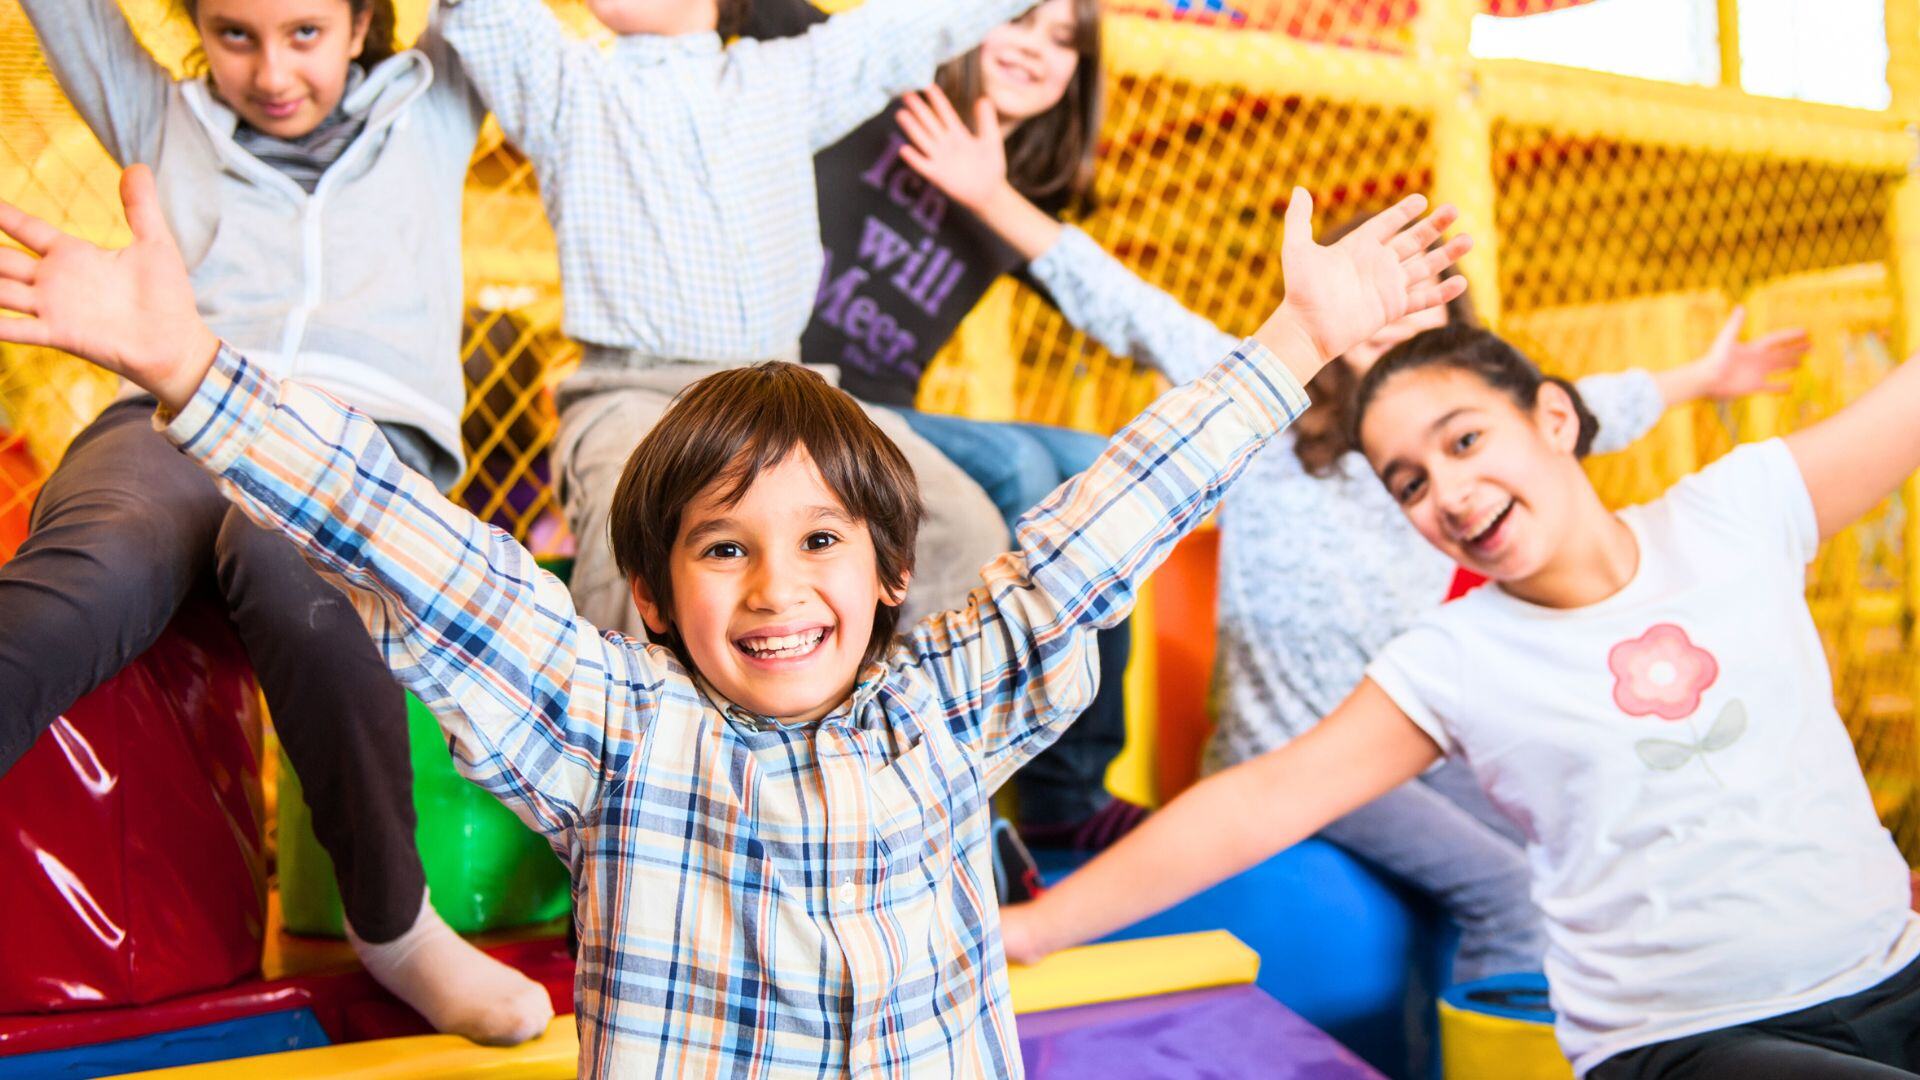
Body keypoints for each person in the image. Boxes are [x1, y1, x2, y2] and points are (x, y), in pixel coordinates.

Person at [0, 165, 1468, 1075]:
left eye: (821, 540)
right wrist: (193, 372)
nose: (777, 592)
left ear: (892, 573)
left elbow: (1112, 525)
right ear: (650, 593)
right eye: (723, 550)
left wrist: (1292, 345)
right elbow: (426, 555)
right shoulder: (615, 728)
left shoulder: (947, 701)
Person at [1003, 322, 1920, 1079]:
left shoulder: (1736, 515)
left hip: (1894, 972)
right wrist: (1039, 928)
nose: (1447, 493)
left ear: (1555, 418)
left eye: (1465, 440)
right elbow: (1259, 800)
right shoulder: (1456, 658)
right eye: (1409, 482)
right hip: (1700, 1042)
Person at [7, 0, 551, 1044]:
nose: (271, 71)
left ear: (362, 26)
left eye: (306, 33)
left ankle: (395, 924)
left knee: (301, 565)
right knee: (91, 570)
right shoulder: (160, 116)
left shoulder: (433, 104)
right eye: (234, 35)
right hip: (168, 412)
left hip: (352, 433)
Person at [1199, 278, 1808, 981]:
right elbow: (1135, 309)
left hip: (1405, 744)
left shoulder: (1483, 419)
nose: (1446, 492)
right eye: (1410, 484)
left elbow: (1589, 406)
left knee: (1565, 847)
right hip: (1295, 746)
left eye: (1410, 296)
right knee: (1510, 895)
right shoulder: (1265, 430)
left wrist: (1703, 376)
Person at [743, 0, 1244, 850]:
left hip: (887, 410)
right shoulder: (877, 84)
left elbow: (1101, 296)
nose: (1036, 52)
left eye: (1064, 44)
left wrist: (990, 193)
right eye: (1018, 20)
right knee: (1015, 465)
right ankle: (998, 774)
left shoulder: (1017, 190)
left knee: (1100, 470)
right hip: (792, 390)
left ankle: (1067, 788)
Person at [435, 0, 1041, 637]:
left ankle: (889, 719)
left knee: (960, 525)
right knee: (631, 532)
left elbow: (916, 24)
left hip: (787, 387)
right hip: (638, 391)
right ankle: (631, 725)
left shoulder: (783, 78)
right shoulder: (567, 82)